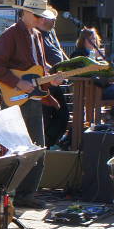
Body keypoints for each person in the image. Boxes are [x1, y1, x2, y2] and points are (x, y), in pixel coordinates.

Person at [0, 0, 63, 208]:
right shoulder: (11, 35)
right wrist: (17, 82)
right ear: (27, 13)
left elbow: (38, 69)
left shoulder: (37, 35)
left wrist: (53, 77)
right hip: (17, 98)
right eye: (39, 16)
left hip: (32, 98)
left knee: (36, 148)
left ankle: (25, 195)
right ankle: (8, 196)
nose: (42, 20)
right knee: (19, 149)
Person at [39, 14, 71, 149]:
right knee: (46, 116)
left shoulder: (50, 34)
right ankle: (44, 145)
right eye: (53, 19)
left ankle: (49, 144)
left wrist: (70, 65)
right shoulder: (36, 34)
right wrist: (49, 70)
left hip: (56, 80)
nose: (55, 21)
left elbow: (59, 51)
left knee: (63, 114)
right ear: (44, 19)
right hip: (44, 82)